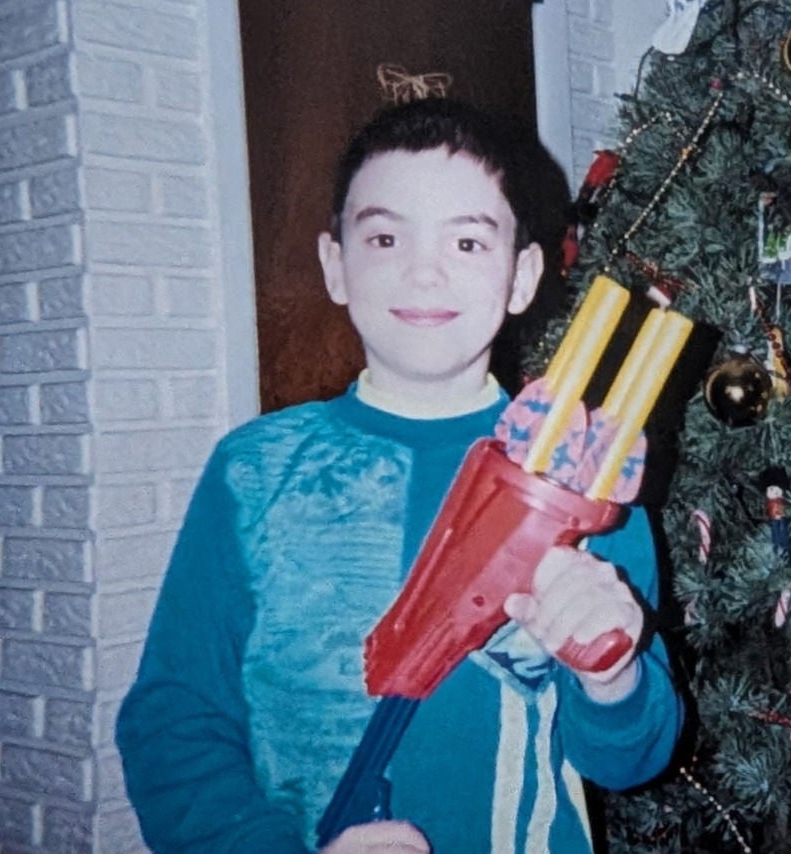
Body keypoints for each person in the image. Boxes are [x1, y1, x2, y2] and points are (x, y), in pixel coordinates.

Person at [116, 98, 685, 853]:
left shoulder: (583, 474)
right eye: (385, 237)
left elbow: (631, 757)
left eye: (469, 243)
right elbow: (176, 723)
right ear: (336, 265)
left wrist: (611, 675)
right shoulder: (254, 473)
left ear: (522, 277)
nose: (424, 271)